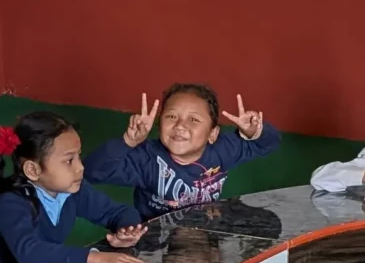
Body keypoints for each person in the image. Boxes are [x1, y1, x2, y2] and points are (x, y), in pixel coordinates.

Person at [0, 110, 149, 263]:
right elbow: (29, 251)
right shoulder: (11, 201)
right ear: (33, 170)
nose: (80, 167)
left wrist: (128, 230)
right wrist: (94, 257)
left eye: (79, 156)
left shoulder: (72, 190)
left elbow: (117, 212)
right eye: (69, 161)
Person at [84, 85, 279, 219]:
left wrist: (255, 131)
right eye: (171, 116)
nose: (180, 126)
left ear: (212, 133)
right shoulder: (147, 158)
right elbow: (92, 171)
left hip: (205, 236)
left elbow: (267, 143)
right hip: (155, 242)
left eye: (193, 120)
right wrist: (127, 142)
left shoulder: (221, 149)